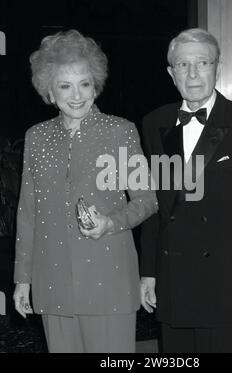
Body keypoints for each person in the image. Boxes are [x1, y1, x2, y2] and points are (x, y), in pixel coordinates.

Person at [140, 28, 232, 353]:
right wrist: (148, 271)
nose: (192, 74)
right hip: (175, 280)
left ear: (216, 68)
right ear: (170, 73)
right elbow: (156, 204)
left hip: (228, 286)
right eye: (183, 65)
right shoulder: (154, 123)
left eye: (202, 63)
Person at [13, 29, 158, 353]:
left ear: (96, 84)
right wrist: (23, 278)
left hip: (109, 278)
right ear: (49, 91)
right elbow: (28, 210)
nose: (76, 95)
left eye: (84, 84)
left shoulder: (120, 131)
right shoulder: (36, 137)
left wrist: (110, 222)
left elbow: (147, 200)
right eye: (65, 85)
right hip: (53, 283)